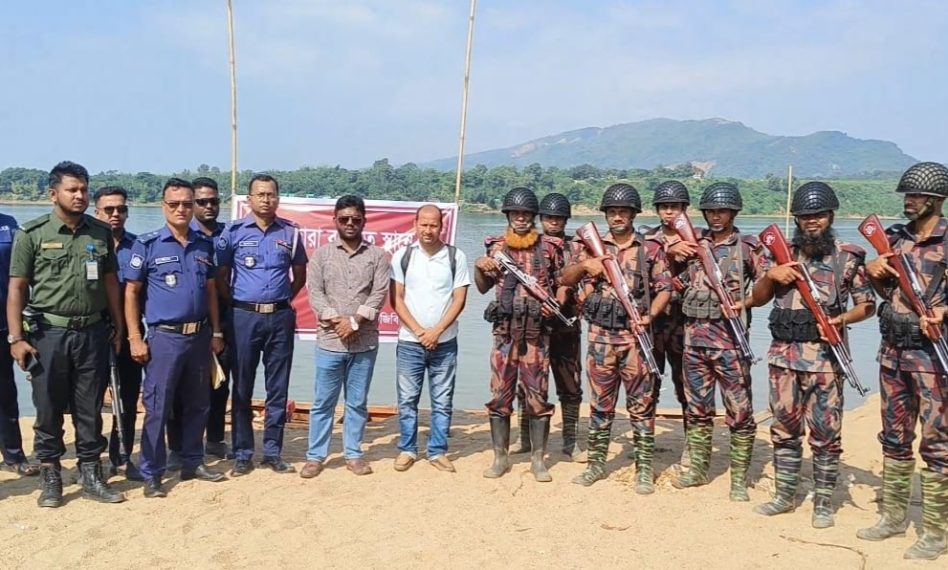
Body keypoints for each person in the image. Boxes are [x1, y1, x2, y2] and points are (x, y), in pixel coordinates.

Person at [751, 181, 875, 528]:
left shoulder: (848, 256)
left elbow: (867, 306)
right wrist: (772, 275)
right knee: (784, 429)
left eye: (818, 215)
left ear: (830, 216)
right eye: (805, 216)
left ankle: (823, 503)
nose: (811, 221)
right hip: (783, 358)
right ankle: (784, 495)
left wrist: (841, 319)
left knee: (826, 433)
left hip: (826, 360)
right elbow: (758, 298)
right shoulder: (777, 253)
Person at [6, 160, 126, 507]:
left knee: (90, 408)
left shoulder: (99, 233)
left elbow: (110, 284)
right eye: (72, 190)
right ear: (53, 193)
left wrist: (117, 325)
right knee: (48, 408)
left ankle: (91, 474)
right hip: (48, 335)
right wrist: (16, 338)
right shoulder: (32, 234)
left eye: (84, 190)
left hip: (91, 332)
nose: (80, 196)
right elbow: (17, 289)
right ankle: (51, 476)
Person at [858, 162, 948, 560]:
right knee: (894, 439)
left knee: (937, 444)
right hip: (892, 354)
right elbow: (882, 291)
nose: (908, 202)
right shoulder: (893, 239)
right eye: (907, 196)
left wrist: (945, 312)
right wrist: (875, 270)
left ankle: (936, 531)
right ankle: (893, 517)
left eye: (915, 197)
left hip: (933, 360)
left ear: (936, 200)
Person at [560, 183, 671, 491]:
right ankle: (596, 465)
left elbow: (665, 289)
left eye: (623, 211)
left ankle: (644, 470)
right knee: (600, 405)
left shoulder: (649, 248)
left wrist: (650, 317)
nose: (618, 216)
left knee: (642, 405)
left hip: (635, 339)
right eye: (612, 212)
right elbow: (565, 280)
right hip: (599, 338)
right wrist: (585, 265)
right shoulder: (586, 246)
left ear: (634, 214)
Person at [124, 178, 227, 497]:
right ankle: (152, 471)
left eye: (187, 203)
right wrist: (134, 337)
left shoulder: (203, 243)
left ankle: (192, 460)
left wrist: (217, 330)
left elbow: (210, 290)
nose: (181, 209)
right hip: (164, 338)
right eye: (174, 204)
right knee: (158, 406)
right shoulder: (148, 243)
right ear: (163, 206)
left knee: (199, 403)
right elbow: (131, 293)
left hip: (199, 336)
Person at [671, 181, 767, 501]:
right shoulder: (693, 244)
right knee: (698, 410)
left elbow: (768, 286)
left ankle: (739, 480)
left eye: (722, 210)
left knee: (739, 412)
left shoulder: (748, 248)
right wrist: (673, 252)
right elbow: (674, 280)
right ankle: (698, 470)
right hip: (694, 342)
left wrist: (746, 302)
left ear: (734, 212)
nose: (716, 216)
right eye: (711, 210)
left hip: (731, 343)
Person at [217, 174, 307, 476]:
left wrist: (280, 302)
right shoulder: (233, 232)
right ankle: (243, 452)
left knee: (277, 387)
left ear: (278, 198)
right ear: (249, 199)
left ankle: (272, 451)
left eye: (271, 194)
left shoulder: (291, 233)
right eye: (260, 194)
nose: (266, 199)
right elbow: (221, 276)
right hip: (244, 317)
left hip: (280, 317)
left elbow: (300, 276)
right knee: (241, 385)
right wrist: (242, 304)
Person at [474, 187, 564, 482]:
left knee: (538, 398)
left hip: (537, 336)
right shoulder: (496, 248)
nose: (521, 218)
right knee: (500, 396)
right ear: (509, 216)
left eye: (526, 213)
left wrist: (556, 304)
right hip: (504, 335)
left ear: (533, 217)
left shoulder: (548, 248)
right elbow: (482, 286)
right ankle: (501, 457)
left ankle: (538, 460)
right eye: (516, 213)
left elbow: (562, 282)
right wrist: (479, 265)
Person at [302, 195, 390, 478]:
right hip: (330, 342)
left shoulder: (377, 256)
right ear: (335, 221)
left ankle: (353, 454)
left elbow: (378, 294)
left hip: (364, 343)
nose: (350, 224)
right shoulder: (322, 256)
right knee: (322, 403)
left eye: (356, 219)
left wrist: (354, 321)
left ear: (364, 220)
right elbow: (314, 292)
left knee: (357, 402)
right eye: (344, 219)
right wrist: (336, 320)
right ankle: (316, 456)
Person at [390, 204, 470, 473]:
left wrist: (436, 331)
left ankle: (437, 451)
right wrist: (420, 331)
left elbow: (460, 299)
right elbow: (397, 299)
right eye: (423, 224)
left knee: (442, 399)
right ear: (415, 225)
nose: (428, 230)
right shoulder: (402, 256)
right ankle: (407, 449)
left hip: (445, 342)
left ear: (442, 226)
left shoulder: (455, 257)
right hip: (410, 342)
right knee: (407, 399)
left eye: (433, 225)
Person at [511, 192, 586, 462]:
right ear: (541, 219)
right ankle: (524, 437)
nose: (553, 222)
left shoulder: (577, 247)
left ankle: (569, 441)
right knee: (528, 384)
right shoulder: (530, 244)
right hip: (534, 326)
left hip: (566, 325)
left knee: (570, 383)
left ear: (566, 219)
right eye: (549, 217)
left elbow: (574, 281)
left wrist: (560, 299)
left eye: (558, 217)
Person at [167, 177, 232, 467]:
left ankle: (215, 439)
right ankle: (177, 446)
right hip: (186, 321)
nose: (208, 206)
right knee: (180, 387)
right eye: (201, 201)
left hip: (224, 318)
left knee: (219, 382)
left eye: (213, 201)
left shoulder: (229, 235)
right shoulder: (181, 233)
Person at [92, 186, 144, 481]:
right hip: (94, 332)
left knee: (126, 396)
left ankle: (121, 457)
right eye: (108, 209)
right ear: (96, 211)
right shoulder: (86, 243)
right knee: (90, 400)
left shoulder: (139, 246)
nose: (115, 214)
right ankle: (91, 460)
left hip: (130, 331)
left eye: (121, 209)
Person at [641, 181, 692, 464]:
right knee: (648, 384)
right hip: (654, 322)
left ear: (685, 208)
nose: (669, 212)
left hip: (686, 323)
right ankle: (646, 445)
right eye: (664, 207)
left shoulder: (699, 238)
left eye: (674, 207)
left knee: (687, 386)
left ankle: (690, 446)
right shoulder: (647, 240)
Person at [0, 210, 38, 477]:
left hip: (5, 324)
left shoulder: (9, 225)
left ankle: (14, 455)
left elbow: (24, 275)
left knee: (5, 394)